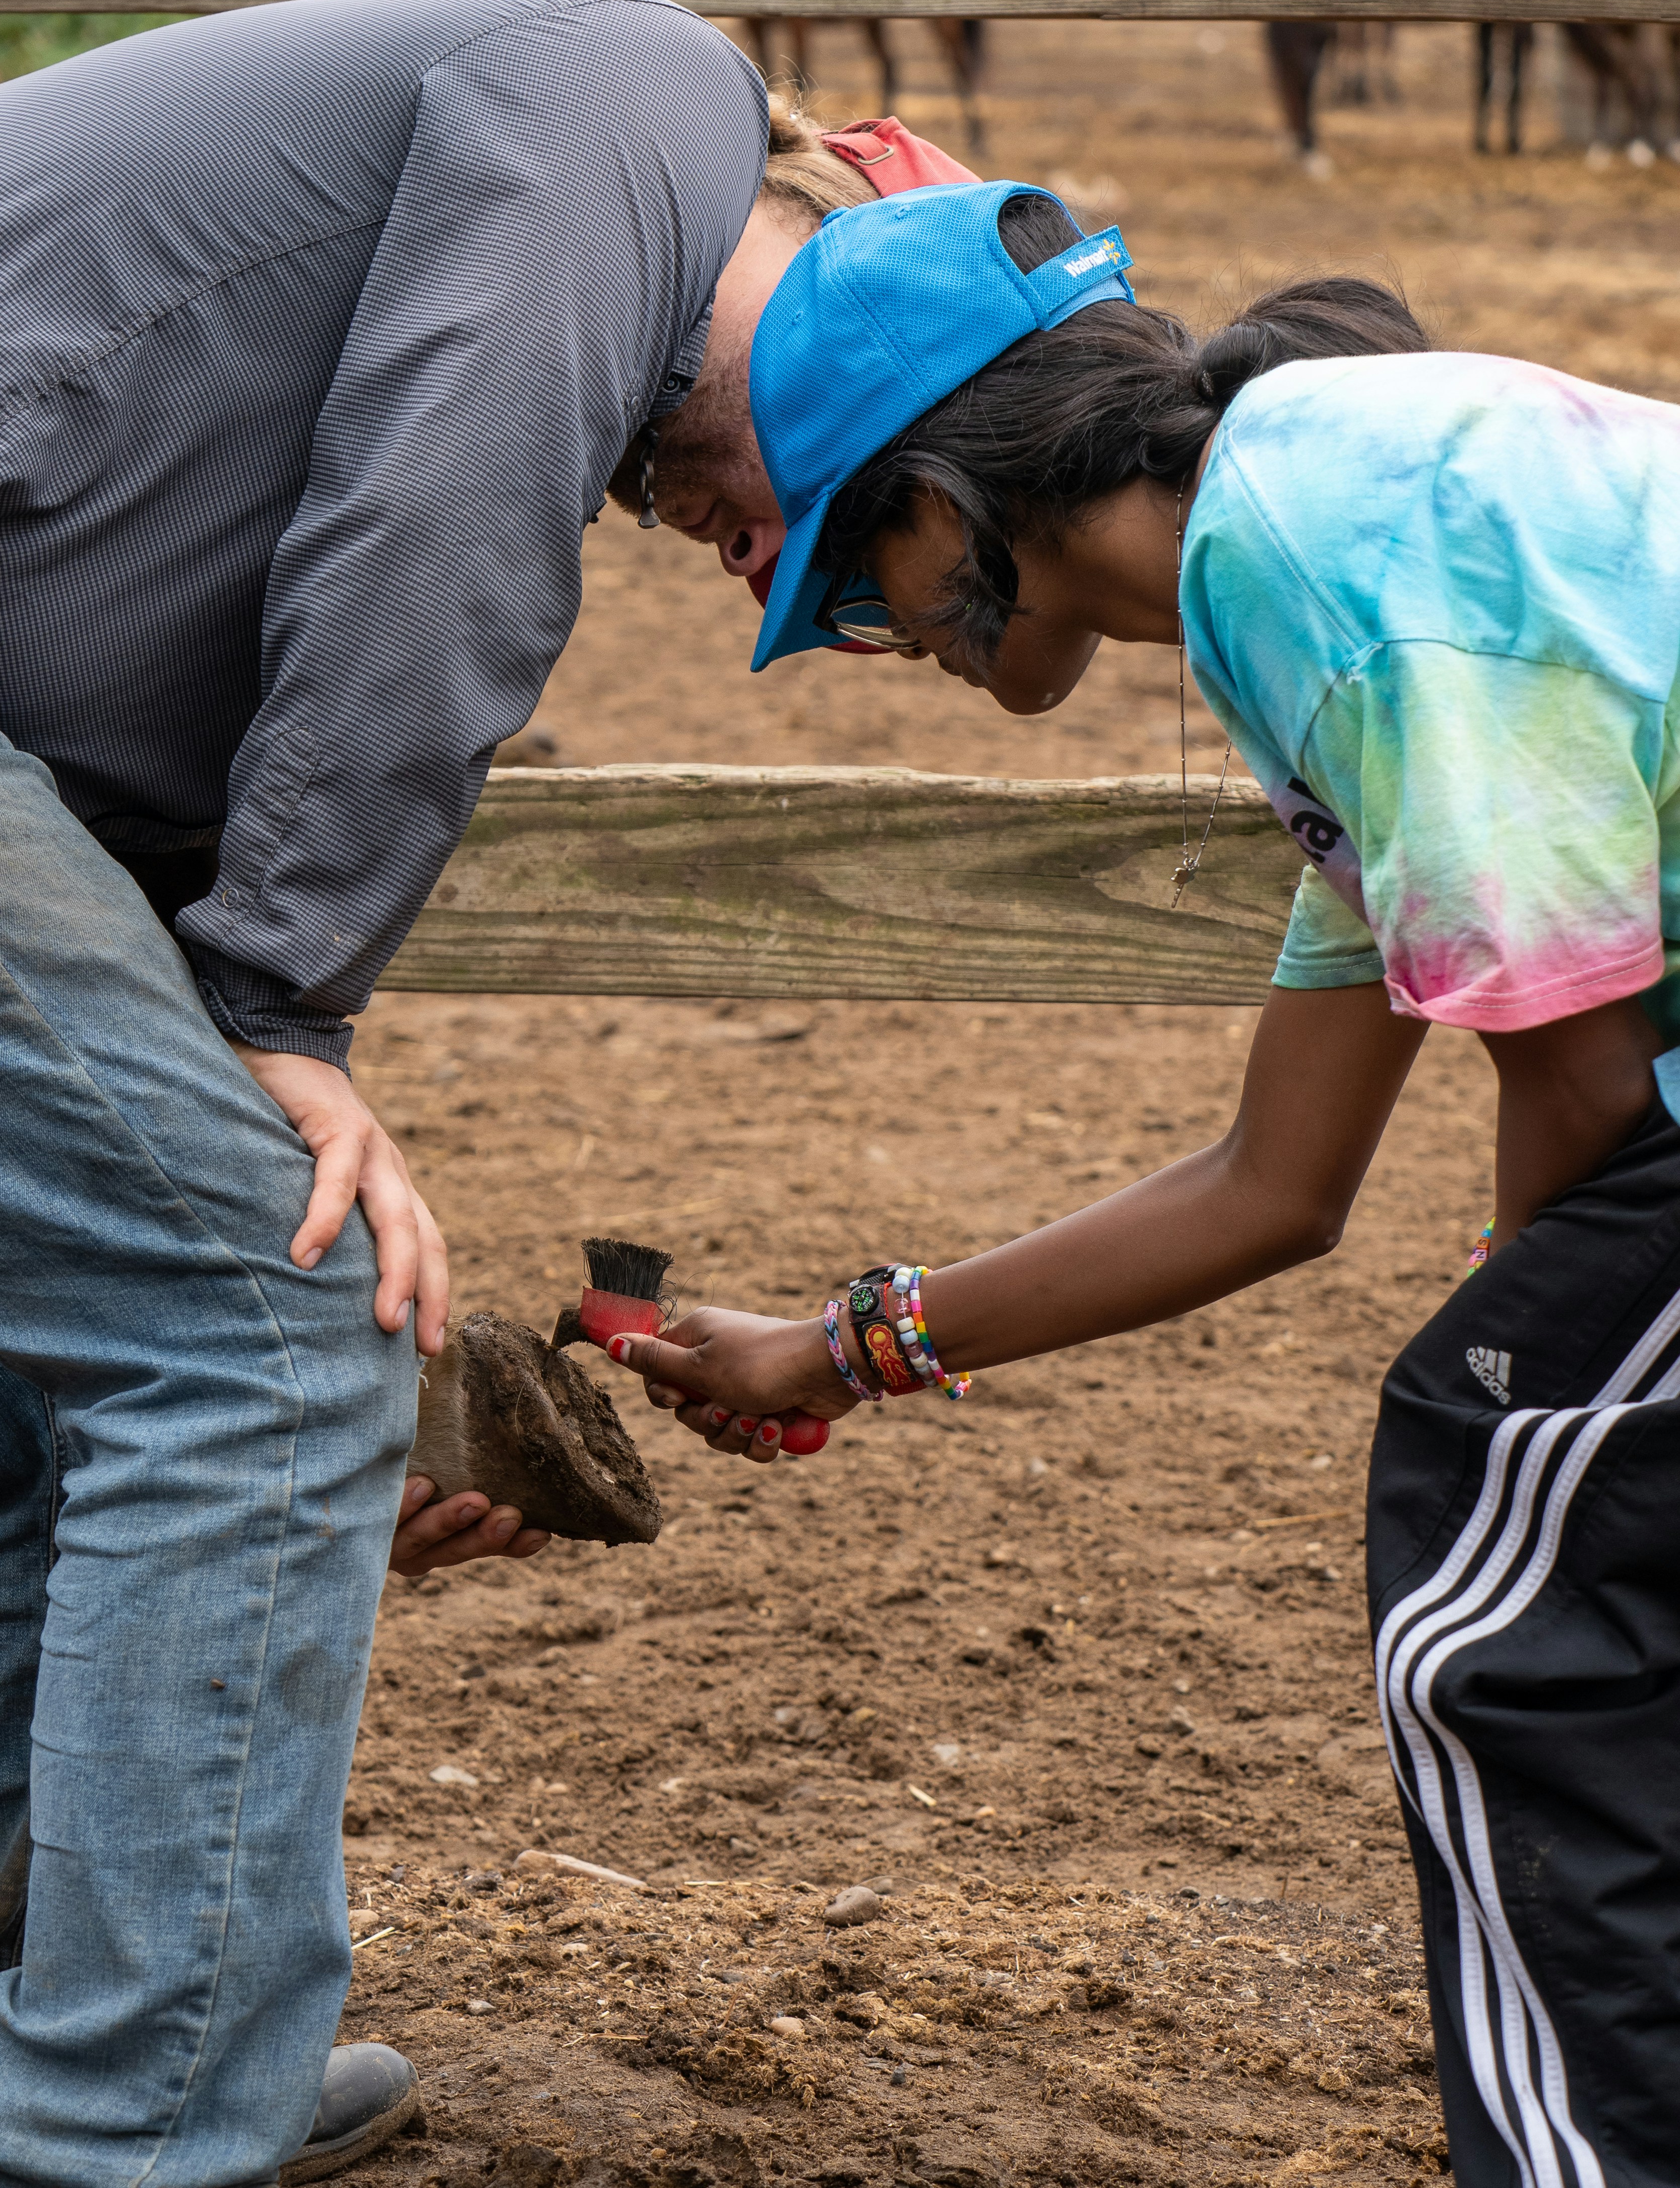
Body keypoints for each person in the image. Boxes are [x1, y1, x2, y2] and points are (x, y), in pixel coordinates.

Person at [603, 177, 1680, 2185]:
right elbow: (1276, 1178)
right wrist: (840, 1350)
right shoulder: (1290, 547)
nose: (879, 640)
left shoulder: (1323, 558)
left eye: (854, 581)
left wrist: (1536, 1399)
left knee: (1495, 1626)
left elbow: (1587, 1080)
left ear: (944, 499)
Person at [0, 0, 898, 2180]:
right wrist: (286, 1006)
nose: (773, 580)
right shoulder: (643, 84)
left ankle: (11, 2059)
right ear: (825, 262)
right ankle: (119, 2124)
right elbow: (444, 505)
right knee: (255, 1333)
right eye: (807, 533)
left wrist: (238, 1052)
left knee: (13, 1389)